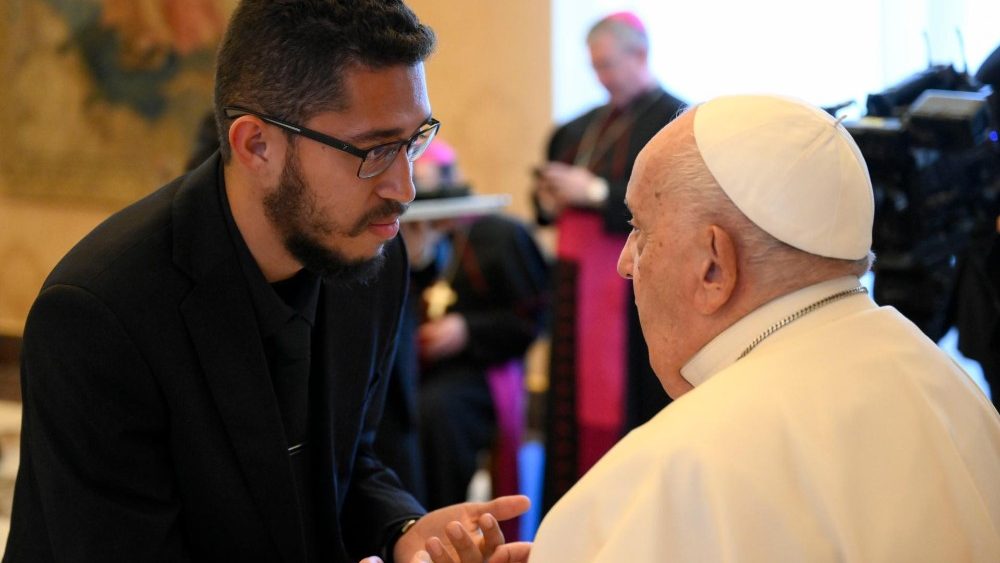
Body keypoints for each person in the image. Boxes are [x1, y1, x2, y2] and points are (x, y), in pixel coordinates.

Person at [4, 2, 530, 562]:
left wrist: (402, 531)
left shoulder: (370, 253)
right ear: (256, 145)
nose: (404, 188)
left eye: (414, 139)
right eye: (375, 150)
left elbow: (348, 463)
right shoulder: (98, 315)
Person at [526, 94, 1000, 561]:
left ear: (714, 266)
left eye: (641, 230)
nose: (626, 263)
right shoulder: (948, 385)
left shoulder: (685, 468)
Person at [531, 11, 686, 511]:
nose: (602, 77)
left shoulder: (677, 121)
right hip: (575, 286)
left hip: (635, 284)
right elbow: (544, 212)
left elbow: (674, 202)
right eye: (594, 67)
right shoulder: (576, 129)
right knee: (570, 407)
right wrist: (550, 198)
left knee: (628, 402)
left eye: (609, 65)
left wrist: (594, 191)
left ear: (640, 55)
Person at [375, 139, 548, 511]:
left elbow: (529, 320)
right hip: (415, 368)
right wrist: (417, 261)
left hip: (477, 370)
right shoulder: (394, 235)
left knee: (434, 412)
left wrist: (467, 330)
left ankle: (436, 517)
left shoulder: (499, 235)